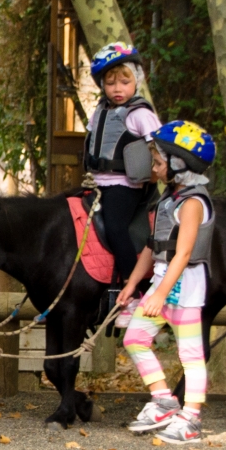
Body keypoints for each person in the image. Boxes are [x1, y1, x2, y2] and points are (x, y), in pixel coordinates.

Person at [120, 121, 217, 445]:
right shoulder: (168, 200)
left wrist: (160, 294)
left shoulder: (192, 202)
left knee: (190, 355)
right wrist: (134, 283)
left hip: (185, 288)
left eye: (159, 162)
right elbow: (154, 245)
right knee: (134, 338)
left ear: (179, 165)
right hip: (161, 283)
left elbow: (185, 250)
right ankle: (163, 400)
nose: (155, 168)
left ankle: (191, 419)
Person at [83, 43, 162, 313]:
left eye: (124, 82)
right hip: (98, 183)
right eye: (111, 83)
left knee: (116, 228)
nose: (118, 89)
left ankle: (134, 291)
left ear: (136, 81)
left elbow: (159, 145)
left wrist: (154, 173)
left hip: (126, 185)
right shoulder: (99, 112)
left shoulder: (140, 114)